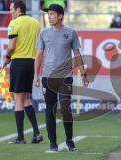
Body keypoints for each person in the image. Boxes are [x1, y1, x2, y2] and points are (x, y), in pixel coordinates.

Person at [34, 4, 89, 152]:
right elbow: (38, 55)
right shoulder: (43, 33)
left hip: (65, 77)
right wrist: (36, 76)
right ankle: (53, 143)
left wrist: (83, 73)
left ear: (60, 16)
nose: (49, 17)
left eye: (52, 14)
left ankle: (70, 141)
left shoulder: (70, 33)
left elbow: (77, 54)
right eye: (48, 14)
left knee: (65, 109)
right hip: (47, 77)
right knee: (50, 111)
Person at [3, 0, 43, 144]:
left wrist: (7, 57)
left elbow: (11, 45)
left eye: (12, 9)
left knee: (18, 99)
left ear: (19, 9)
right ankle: (37, 134)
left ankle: (20, 138)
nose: (10, 11)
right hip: (31, 63)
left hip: (19, 62)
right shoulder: (36, 23)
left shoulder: (13, 24)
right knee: (25, 98)